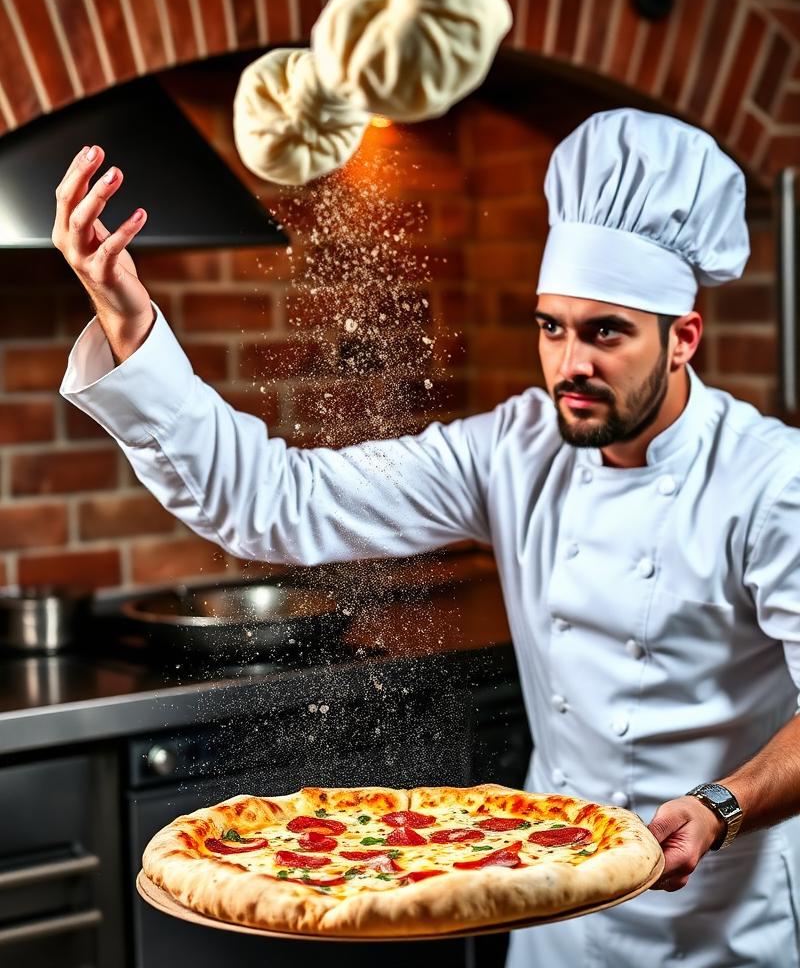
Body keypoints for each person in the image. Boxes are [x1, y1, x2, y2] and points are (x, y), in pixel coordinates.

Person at [55, 108, 800, 967]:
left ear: (684, 340)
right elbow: (274, 500)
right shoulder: (516, 449)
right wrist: (128, 320)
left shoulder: (770, 481)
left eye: (605, 333)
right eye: (552, 327)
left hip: (726, 913)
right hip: (554, 891)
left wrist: (722, 805)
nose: (570, 367)